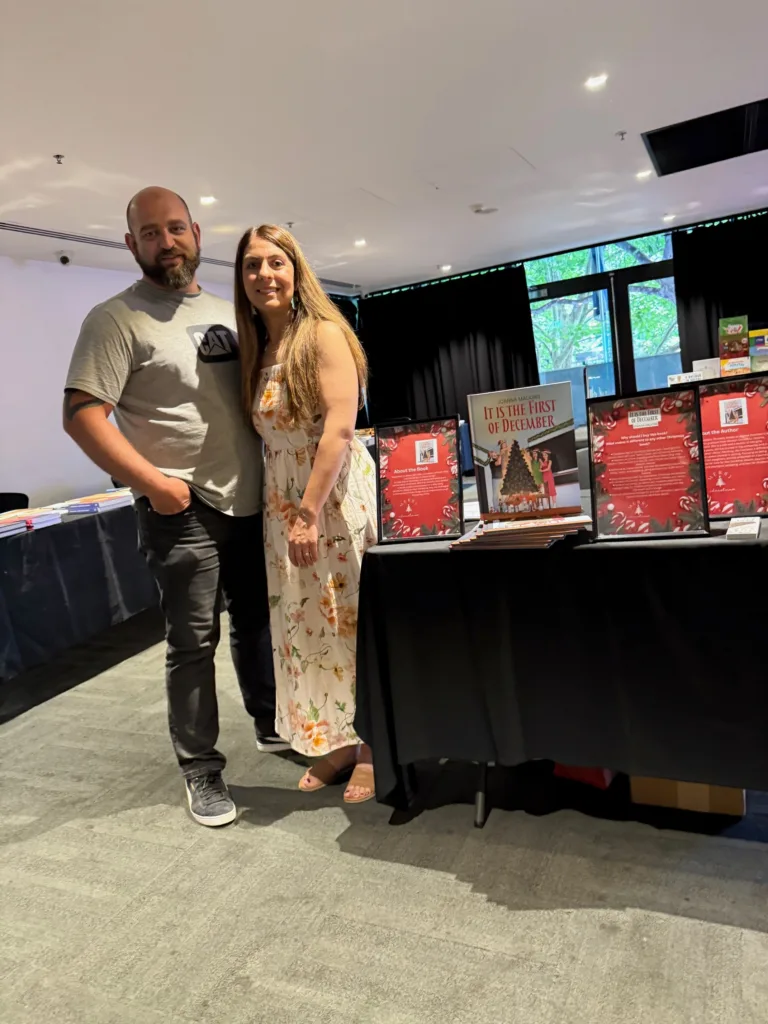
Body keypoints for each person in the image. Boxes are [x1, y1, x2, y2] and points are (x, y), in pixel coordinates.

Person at [63, 187, 284, 828]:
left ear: (196, 232)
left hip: (252, 499)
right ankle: (201, 769)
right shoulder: (115, 319)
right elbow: (81, 415)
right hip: (182, 509)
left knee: (256, 625)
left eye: (175, 228)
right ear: (131, 244)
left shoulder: (231, 310)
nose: (166, 242)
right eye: (150, 233)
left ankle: (271, 722)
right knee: (192, 642)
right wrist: (153, 484)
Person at [236, 224, 377, 803]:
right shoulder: (257, 348)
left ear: (296, 271)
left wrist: (308, 513)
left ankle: (372, 744)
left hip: (329, 500)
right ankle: (335, 739)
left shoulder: (323, 334)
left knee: (351, 620)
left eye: (276, 262)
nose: (264, 274)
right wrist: (289, 516)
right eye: (252, 265)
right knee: (305, 625)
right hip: (283, 505)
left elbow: (339, 430)